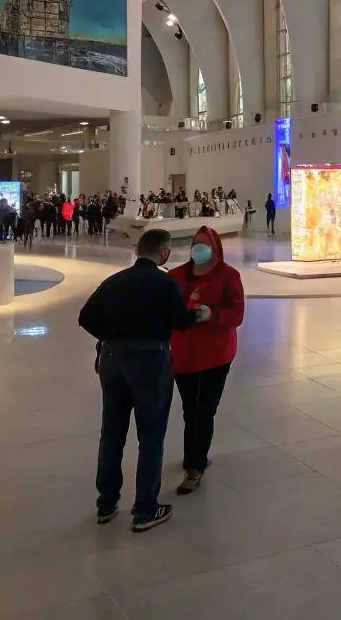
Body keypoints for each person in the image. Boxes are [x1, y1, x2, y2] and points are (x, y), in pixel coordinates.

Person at [78, 229, 198, 532]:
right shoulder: (165, 283)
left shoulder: (113, 282)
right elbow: (182, 322)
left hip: (112, 361)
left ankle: (106, 503)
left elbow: (85, 317)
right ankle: (145, 508)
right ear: (165, 254)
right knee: (151, 434)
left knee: (112, 433)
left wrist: (111, 338)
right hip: (150, 361)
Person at [167, 226, 245, 494]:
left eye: (204, 243)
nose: (198, 248)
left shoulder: (228, 276)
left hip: (216, 355)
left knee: (205, 409)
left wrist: (214, 315)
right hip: (184, 356)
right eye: (195, 243)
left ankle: (195, 465)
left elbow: (237, 314)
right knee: (191, 409)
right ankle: (195, 454)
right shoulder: (177, 276)